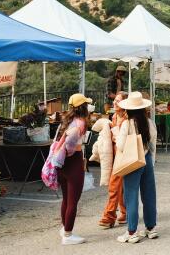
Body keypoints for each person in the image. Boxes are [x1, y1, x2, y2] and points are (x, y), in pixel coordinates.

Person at [115, 91, 158, 244]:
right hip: (146, 159)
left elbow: (120, 145)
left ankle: (132, 231)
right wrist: (151, 161)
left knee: (131, 195)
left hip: (132, 160)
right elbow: (153, 143)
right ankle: (151, 228)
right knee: (149, 195)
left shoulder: (127, 124)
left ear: (129, 109)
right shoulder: (149, 122)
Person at [57, 93, 92, 245]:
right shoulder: (81, 123)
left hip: (62, 163)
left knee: (66, 198)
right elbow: (70, 142)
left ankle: (65, 227)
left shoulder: (67, 120)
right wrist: (70, 150)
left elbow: (62, 139)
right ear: (83, 107)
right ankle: (68, 234)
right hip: (74, 161)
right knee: (73, 201)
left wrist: (64, 151)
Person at [98, 92, 127, 228]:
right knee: (119, 186)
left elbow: (122, 140)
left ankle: (109, 216)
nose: (114, 102)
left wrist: (115, 136)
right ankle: (125, 212)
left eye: (118, 101)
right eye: (114, 100)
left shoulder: (127, 119)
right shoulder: (114, 116)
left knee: (114, 185)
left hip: (124, 154)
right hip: (115, 154)